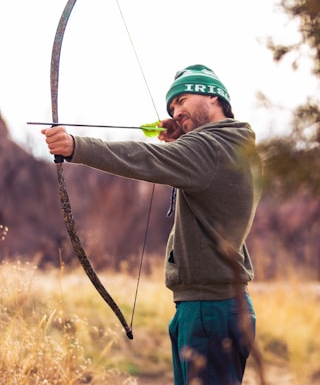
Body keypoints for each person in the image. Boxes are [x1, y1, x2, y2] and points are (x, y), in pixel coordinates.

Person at [42, 64, 263, 385]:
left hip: (209, 310)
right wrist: (182, 139)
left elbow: (144, 156)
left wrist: (76, 146)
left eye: (183, 100)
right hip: (211, 305)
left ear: (213, 98)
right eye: (172, 108)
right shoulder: (233, 147)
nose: (176, 112)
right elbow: (202, 177)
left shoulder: (213, 147)